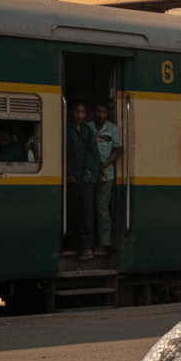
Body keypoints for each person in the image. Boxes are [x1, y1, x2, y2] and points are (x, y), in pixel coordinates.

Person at [65, 102, 100, 260]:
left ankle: (87, 247)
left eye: (83, 112)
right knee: (73, 211)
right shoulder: (66, 129)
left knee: (86, 211)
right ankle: (74, 245)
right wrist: (68, 173)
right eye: (77, 111)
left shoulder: (87, 130)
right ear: (71, 112)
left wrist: (89, 175)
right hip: (71, 177)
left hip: (85, 177)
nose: (80, 115)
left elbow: (93, 154)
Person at [89, 102, 123, 256]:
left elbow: (118, 150)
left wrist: (105, 165)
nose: (101, 114)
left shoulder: (113, 128)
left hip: (106, 174)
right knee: (88, 207)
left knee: (102, 207)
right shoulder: (87, 127)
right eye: (98, 112)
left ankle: (104, 242)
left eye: (103, 112)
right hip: (88, 173)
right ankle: (88, 242)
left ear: (107, 113)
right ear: (94, 113)